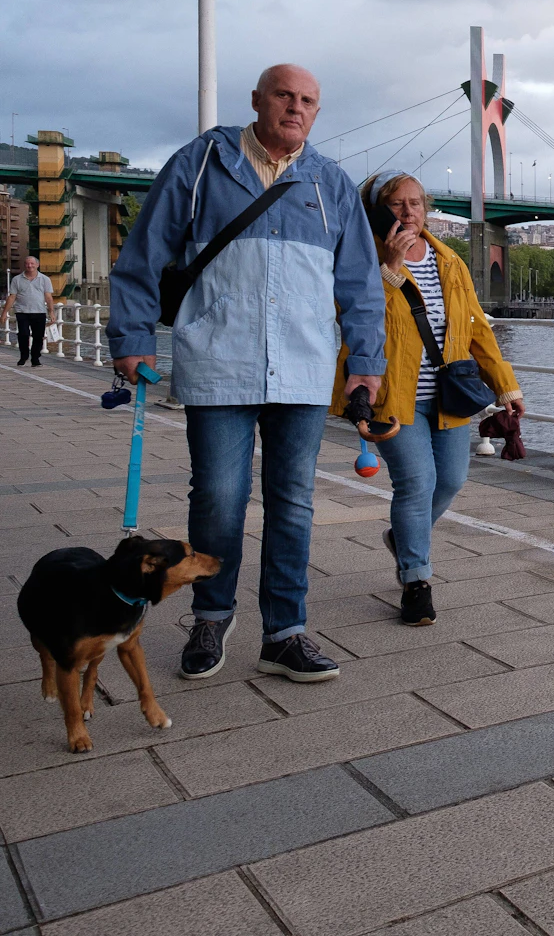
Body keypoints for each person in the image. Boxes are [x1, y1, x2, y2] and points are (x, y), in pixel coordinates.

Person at [109, 64, 385, 682]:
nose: (295, 107)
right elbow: (144, 252)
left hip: (304, 366)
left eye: (307, 100)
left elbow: (362, 285)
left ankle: (285, 633)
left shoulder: (331, 184)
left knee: (293, 503)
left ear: (317, 112)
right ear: (257, 100)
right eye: (284, 95)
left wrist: (366, 363)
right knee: (218, 498)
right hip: (218, 359)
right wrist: (131, 336)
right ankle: (211, 616)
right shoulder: (200, 164)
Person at [337, 173, 522, 625]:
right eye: (396, 204)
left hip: (448, 396)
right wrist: (390, 268)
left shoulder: (449, 260)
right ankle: (416, 581)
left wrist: (505, 385)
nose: (408, 213)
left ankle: (402, 539)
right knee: (416, 484)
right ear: (378, 212)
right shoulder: (362, 256)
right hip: (393, 396)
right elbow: (354, 316)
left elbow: (475, 326)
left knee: (451, 481)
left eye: (416, 203)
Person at [4, 255, 57, 366]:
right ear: (24, 265)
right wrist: (4, 313)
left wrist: (51, 312)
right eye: (27, 263)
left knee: (38, 336)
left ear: (37, 265)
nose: (29, 266)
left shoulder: (45, 279)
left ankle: (35, 358)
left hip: (39, 311)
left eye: (32, 263)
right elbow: (12, 297)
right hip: (22, 312)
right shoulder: (17, 279)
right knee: (23, 334)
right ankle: (24, 356)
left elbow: (48, 297)